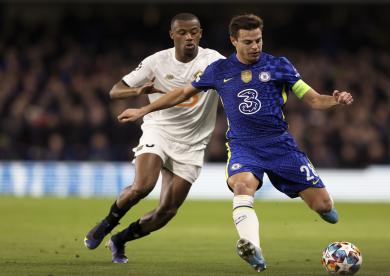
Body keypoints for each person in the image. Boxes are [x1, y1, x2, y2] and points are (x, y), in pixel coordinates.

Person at [117, 14, 353, 272]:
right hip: (244, 145)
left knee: (324, 207)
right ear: (234, 41)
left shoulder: (279, 66)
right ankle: (253, 249)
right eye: (248, 42)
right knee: (242, 186)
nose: (255, 46)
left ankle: (324, 209)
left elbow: (314, 99)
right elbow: (182, 93)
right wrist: (143, 110)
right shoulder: (219, 70)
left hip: (280, 146)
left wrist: (335, 100)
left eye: (259, 40)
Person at [83, 13, 224, 264]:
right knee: (143, 186)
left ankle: (119, 239)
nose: (188, 36)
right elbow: (115, 90)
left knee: (167, 211)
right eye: (182, 32)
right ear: (172, 35)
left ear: (200, 33)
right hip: (159, 129)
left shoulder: (214, 61)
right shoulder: (156, 62)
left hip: (193, 143)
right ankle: (107, 223)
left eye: (193, 31)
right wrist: (138, 91)